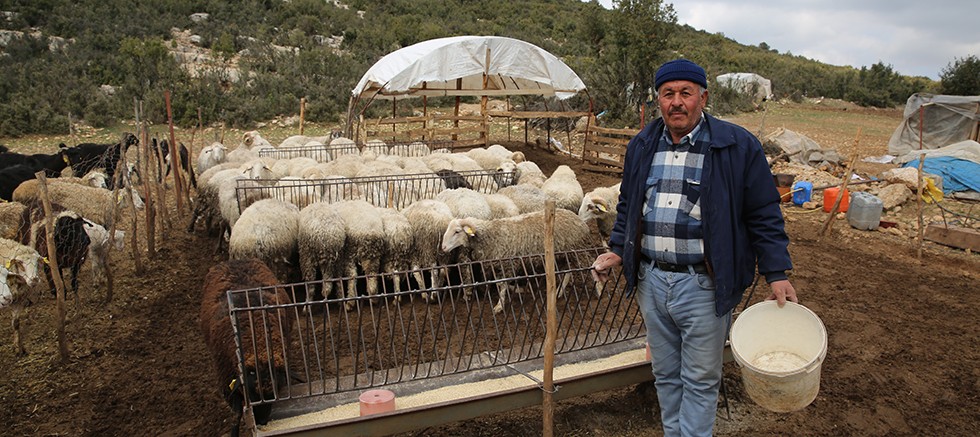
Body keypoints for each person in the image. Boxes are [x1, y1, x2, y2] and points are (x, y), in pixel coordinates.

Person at [591, 59, 798, 437]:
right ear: (658, 100)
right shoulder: (642, 144)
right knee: (666, 375)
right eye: (668, 94)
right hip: (651, 281)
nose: (677, 102)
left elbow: (763, 212)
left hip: (703, 284)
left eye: (686, 93)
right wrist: (619, 249)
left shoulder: (736, 145)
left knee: (701, 379)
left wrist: (776, 272)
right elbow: (629, 204)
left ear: (703, 97)